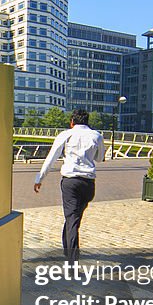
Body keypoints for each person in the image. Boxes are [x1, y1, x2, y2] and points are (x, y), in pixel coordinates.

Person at [33, 109, 105, 261]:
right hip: (88, 183)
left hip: (70, 181)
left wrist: (39, 178)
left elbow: (51, 158)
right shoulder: (97, 136)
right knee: (74, 217)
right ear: (87, 122)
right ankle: (67, 247)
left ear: (72, 122)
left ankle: (72, 259)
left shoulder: (65, 135)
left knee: (72, 218)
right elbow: (100, 158)